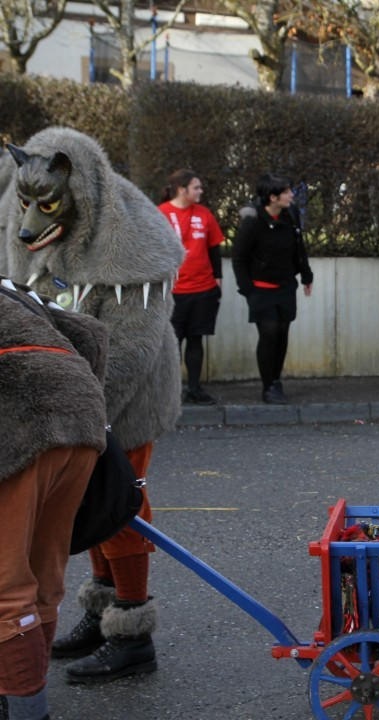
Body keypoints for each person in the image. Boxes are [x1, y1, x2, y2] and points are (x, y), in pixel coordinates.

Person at [2, 128, 184, 686]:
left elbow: (131, 346)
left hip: (124, 403)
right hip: (70, 399)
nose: (31, 218)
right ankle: (103, 614)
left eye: (46, 203)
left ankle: (134, 633)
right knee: (89, 509)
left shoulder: (134, 243)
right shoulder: (48, 228)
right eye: (24, 204)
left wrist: (87, 416)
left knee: (121, 505)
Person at [0, 278, 107, 720]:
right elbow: (91, 334)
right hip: (82, 413)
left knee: (4, 588)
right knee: (43, 578)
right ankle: (20, 693)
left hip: (19, 417)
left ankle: (25, 710)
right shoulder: (13, 288)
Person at [232, 173, 314, 404]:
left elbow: (299, 246)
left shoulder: (291, 215)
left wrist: (306, 275)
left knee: (282, 333)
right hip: (260, 288)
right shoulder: (253, 222)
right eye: (287, 192)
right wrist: (247, 289)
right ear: (272, 197)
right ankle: (268, 386)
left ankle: (276, 381)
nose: (291, 195)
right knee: (268, 333)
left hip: (285, 285)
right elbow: (239, 257)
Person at [158, 169, 225, 405]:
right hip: (174, 291)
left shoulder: (204, 214)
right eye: (196, 187)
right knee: (173, 343)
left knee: (196, 340)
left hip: (203, 288)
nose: (200, 191)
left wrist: (218, 279)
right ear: (182, 189)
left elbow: (214, 249)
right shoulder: (161, 214)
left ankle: (194, 389)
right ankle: (169, 392)